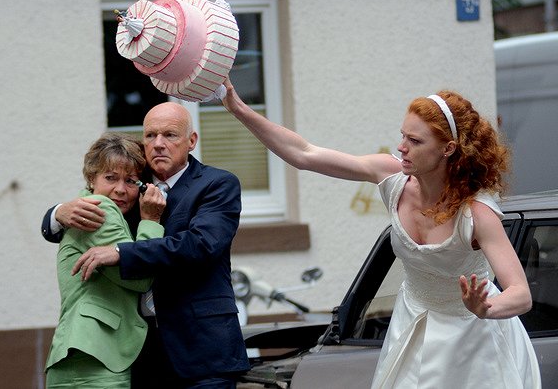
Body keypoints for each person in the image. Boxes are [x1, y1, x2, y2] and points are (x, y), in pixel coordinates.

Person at [221, 79, 541, 388]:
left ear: (448, 148)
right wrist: (238, 109)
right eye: (403, 136)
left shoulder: (477, 214)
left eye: (415, 141)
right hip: (412, 325)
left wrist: (486, 308)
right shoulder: (392, 179)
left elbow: (520, 294)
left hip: (472, 338)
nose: (401, 147)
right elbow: (304, 154)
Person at [41, 102, 250, 389]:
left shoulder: (217, 184)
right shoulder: (127, 187)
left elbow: (201, 245)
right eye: (150, 136)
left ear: (191, 141)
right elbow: (92, 215)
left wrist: (120, 253)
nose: (159, 144)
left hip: (203, 346)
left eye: (170, 135)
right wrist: (57, 213)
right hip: (139, 351)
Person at [45, 132, 166, 388]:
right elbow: (140, 276)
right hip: (96, 355)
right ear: (91, 179)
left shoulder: (86, 208)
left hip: (86, 356)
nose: (120, 189)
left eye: (131, 181)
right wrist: (151, 222)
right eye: (110, 178)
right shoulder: (99, 208)